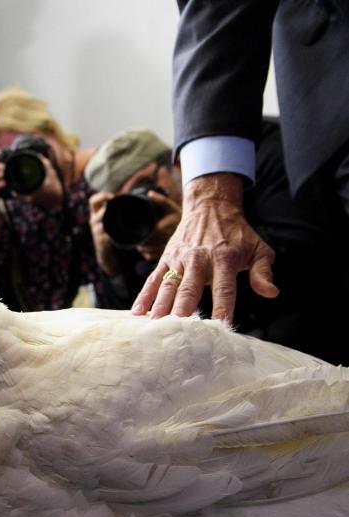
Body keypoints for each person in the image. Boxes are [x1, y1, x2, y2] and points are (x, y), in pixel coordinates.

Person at [134, 1, 349, 333]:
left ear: (166, 163)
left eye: (144, 180)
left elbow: (312, 264)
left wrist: (210, 197)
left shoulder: (267, 153)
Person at [0, 86, 102, 311]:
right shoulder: (16, 202)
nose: (24, 163)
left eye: (26, 147)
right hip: (44, 326)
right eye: (11, 157)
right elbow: (5, 281)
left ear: (50, 131)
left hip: (103, 313)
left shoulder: (99, 169)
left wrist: (57, 202)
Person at [86, 129, 183, 310]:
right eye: (121, 200)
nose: (136, 204)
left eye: (141, 186)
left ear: (177, 164)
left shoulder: (224, 207)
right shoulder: (126, 231)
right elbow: (118, 325)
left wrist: (185, 241)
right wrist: (110, 268)